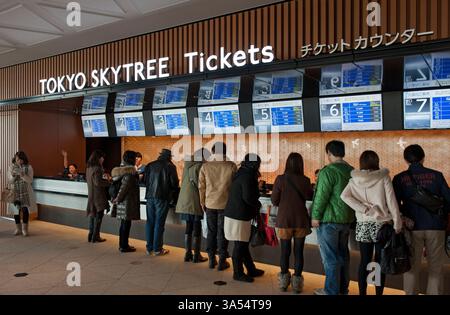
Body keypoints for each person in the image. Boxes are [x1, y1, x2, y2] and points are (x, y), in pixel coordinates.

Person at [340, 151, 403, 295]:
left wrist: (363, 209)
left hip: (363, 224)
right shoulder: (383, 177)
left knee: (364, 261)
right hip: (381, 225)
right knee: (378, 261)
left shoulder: (354, 180)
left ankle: (363, 293)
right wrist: (397, 223)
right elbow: (392, 202)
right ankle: (378, 293)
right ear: (376, 161)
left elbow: (344, 196)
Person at [393, 144, 450, 295]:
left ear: (406, 160)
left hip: (412, 227)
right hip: (435, 226)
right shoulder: (437, 175)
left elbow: (394, 205)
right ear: (423, 157)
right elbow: (448, 200)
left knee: (411, 266)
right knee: (436, 267)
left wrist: (403, 218)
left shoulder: (399, 178)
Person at [311, 140, 355, 295]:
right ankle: (343, 288)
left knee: (330, 258)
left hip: (329, 220)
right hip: (346, 220)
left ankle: (330, 291)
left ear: (329, 153)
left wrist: (315, 216)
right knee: (343, 255)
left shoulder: (327, 171)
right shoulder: (352, 171)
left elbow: (321, 196)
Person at [271, 153, 314, 293]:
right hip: (301, 220)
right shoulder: (306, 180)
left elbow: (274, 201)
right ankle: (297, 285)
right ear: (301, 164)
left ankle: (283, 283)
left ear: (287, 164)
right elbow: (309, 197)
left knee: (285, 251)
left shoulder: (280, 179)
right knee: (299, 252)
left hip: (284, 220)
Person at [224, 153, 264, 282]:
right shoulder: (247, 176)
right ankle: (238, 273)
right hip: (239, 216)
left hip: (235, 214)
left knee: (242, 243)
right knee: (240, 245)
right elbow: (248, 197)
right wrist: (258, 204)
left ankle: (251, 269)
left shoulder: (241, 173)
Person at [199, 142, 237, 270]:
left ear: (214, 152)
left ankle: (211, 259)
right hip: (225, 205)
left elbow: (201, 187)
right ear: (225, 152)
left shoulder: (205, 167)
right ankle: (222, 261)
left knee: (211, 232)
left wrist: (202, 202)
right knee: (223, 232)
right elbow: (235, 186)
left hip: (210, 204)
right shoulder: (231, 166)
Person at [176, 148, 210, 263]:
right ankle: (196, 255)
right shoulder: (200, 166)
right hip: (194, 200)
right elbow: (200, 185)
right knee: (196, 227)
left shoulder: (188, 164)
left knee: (188, 227)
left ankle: (187, 254)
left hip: (184, 201)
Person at [144, 149, 179, 256]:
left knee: (150, 222)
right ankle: (158, 249)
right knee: (159, 223)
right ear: (169, 157)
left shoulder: (150, 165)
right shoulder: (170, 166)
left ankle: (149, 248)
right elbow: (174, 184)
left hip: (150, 197)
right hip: (162, 197)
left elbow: (145, 181)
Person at [112, 151, 141, 253]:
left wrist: (116, 199)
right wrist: (118, 199)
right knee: (126, 225)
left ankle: (123, 244)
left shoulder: (120, 171)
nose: (136, 160)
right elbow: (124, 188)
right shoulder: (130, 173)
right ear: (131, 159)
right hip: (127, 203)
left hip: (121, 203)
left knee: (124, 224)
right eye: (135, 158)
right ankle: (124, 246)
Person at [7, 151, 37, 236]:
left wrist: (22, 175)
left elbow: (30, 180)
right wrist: (13, 176)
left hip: (26, 193)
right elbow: (9, 181)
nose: (19, 161)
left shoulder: (29, 167)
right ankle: (18, 229)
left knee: (25, 210)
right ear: (15, 159)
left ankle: (25, 229)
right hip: (15, 191)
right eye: (17, 159)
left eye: (21, 159)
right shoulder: (11, 167)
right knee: (16, 211)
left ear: (24, 159)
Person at [86, 150, 111, 243]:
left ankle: (91, 235)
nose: (103, 160)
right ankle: (95, 237)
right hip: (98, 195)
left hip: (91, 195)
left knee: (93, 215)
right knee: (99, 216)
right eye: (102, 158)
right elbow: (98, 182)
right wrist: (109, 182)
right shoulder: (97, 168)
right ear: (99, 158)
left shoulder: (89, 168)